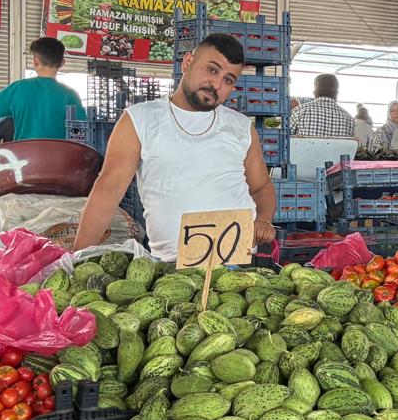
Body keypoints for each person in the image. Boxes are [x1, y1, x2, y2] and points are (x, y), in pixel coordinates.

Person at [73, 34, 276, 261]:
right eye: (212, 70)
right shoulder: (140, 120)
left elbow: (261, 187)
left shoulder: (240, 127)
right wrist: (78, 257)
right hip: (171, 267)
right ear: (187, 62)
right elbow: (108, 190)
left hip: (240, 264)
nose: (216, 84)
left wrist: (264, 219)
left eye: (228, 80)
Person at [289, 74, 357, 139]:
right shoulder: (349, 119)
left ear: (315, 92)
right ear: (336, 94)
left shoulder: (300, 111)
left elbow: (284, 136)